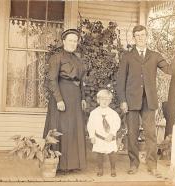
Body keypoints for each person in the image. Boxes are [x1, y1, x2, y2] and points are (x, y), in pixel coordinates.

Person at [116, 25, 175, 176]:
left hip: (149, 101)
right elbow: (120, 80)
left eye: (143, 35)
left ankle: (152, 166)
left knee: (151, 134)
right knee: (132, 133)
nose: (140, 38)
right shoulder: (128, 56)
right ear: (134, 37)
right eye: (137, 36)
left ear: (147, 36)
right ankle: (133, 164)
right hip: (131, 101)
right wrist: (123, 100)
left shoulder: (155, 55)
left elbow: (170, 70)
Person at [43, 28, 87, 172]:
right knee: (60, 128)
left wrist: (83, 97)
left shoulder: (77, 59)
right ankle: (58, 165)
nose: (73, 43)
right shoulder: (57, 57)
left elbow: (80, 81)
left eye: (75, 41)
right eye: (70, 40)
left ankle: (72, 164)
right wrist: (59, 99)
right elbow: (52, 80)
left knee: (73, 129)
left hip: (75, 98)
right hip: (62, 96)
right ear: (63, 41)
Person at [87, 89, 121, 177]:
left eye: (107, 99)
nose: (104, 101)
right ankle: (100, 168)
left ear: (110, 101)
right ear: (98, 100)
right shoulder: (94, 113)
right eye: (102, 99)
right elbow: (90, 125)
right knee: (99, 153)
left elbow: (117, 124)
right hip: (99, 137)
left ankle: (113, 168)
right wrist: (92, 136)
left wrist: (112, 134)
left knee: (112, 153)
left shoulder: (113, 113)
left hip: (110, 137)